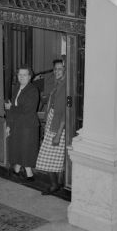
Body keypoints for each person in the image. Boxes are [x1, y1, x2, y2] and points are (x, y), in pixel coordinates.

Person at [35, 59, 66, 195]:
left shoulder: (66, 86)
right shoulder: (57, 84)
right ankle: (57, 183)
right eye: (55, 69)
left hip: (58, 126)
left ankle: (54, 185)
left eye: (60, 69)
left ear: (65, 70)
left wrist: (59, 134)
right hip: (52, 121)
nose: (57, 71)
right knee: (53, 157)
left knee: (47, 157)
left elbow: (66, 113)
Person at [5, 66, 40, 181]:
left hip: (28, 125)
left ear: (30, 77)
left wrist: (11, 107)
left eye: (25, 75)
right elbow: (10, 108)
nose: (22, 77)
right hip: (17, 123)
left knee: (26, 148)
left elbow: (27, 109)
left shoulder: (33, 90)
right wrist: (8, 125)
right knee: (18, 146)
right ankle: (16, 170)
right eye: (20, 75)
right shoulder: (16, 88)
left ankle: (29, 174)